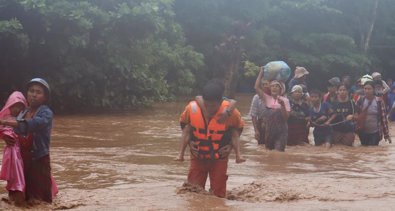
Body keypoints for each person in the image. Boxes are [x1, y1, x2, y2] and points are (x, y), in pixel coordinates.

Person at [176, 80, 245, 198]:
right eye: (206, 105)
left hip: (220, 158)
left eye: (213, 106)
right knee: (193, 193)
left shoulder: (231, 113)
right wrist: (190, 144)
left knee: (218, 196)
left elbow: (238, 129)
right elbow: (184, 126)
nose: (209, 109)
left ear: (220, 102)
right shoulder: (192, 108)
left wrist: (230, 147)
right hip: (197, 156)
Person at [0, 78, 57, 203]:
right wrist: (5, 137)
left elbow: (33, 124)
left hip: (39, 160)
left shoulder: (46, 113)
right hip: (22, 159)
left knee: (39, 200)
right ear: (27, 93)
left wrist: (4, 121)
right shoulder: (23, 112)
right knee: (22, 198)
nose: (34, 95)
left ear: (45, 97)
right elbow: (13, 132)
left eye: (38, 92)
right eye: (31, 91)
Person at [0, 91, 27, 204]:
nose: (16, 109)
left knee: (23, 176)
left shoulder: (26, 120)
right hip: (12, 154)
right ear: (9, 106)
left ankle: (20, 200)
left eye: (19, 107)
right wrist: (4, 136)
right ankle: (14, 200)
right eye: (14, 106)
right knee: (14, 177)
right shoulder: (5, 119)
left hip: (24, 153)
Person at [255, 69, 290, 151]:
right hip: (269, 131)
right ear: (270, 89)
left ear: (280, 89)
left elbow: (286, 118)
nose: (274, 88)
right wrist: (261, 73)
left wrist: (282, 106)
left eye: (277, 86)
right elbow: (256, 87)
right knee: (269, 153)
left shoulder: (285, 100)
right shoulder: (266, 98)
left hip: (281, 132)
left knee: (278, 154)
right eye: (272, 86)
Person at [356, 81, 391, 145]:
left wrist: (386, 134)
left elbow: (384, 119)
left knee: (373, 148)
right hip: (363, 131)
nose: (367, 91)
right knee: (364, 149)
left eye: (369, 89)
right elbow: (355, 114)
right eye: (365, 89)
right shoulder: (360, 100)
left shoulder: (379, 101)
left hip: (375, 132)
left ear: (373, 90)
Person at [250, 79, 269, 145]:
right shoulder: (256, 97)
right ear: (261, 86)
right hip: (261, 124)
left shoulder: (275, 96)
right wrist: (256, 130)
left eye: (267, 84)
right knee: (261, 146)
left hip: (273, 124)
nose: (266, 86)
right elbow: (253, 115)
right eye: (263, 84)